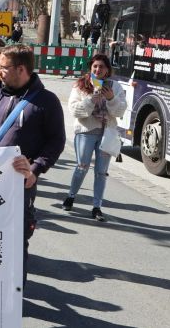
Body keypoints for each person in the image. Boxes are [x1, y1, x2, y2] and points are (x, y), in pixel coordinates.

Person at [0, 44, 65, 284]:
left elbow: (56, 141)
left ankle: (12, 299)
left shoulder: (47, 101)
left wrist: (35, 170)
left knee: (14, 240)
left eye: (3, 67)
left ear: (21, 69)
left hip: (19, 185)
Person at [63, 55, 127, 222]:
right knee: (82, 166)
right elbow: (74, 110)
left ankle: (97, 207)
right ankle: (71, 196)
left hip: (107, 133)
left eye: (102, 67)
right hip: (86, 131)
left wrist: (111, 98)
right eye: (95, 67)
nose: (98, 70)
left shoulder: (116, 87)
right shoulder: (81, 85)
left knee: (101, 172)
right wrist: (91, 100)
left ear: (107, 70)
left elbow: (120, 112)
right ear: (91, 68)